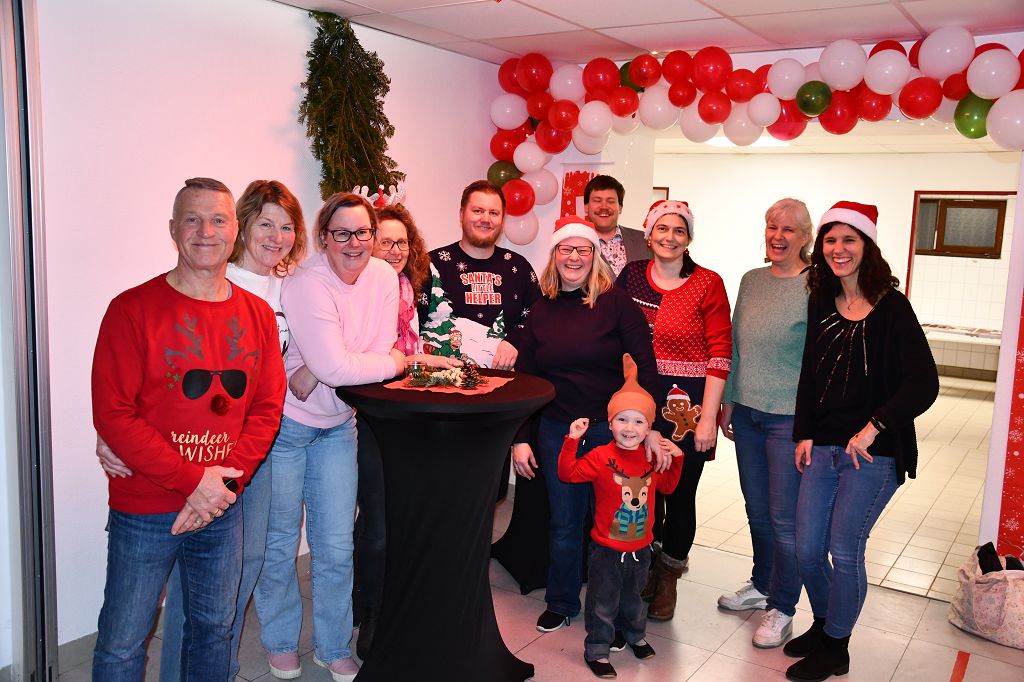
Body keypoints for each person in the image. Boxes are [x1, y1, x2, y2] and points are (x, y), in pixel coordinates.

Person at [96, 179, 307, 681]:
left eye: (217, 220)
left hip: (221, 506)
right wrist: (196, 483)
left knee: (213, 629)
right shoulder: (131, 309)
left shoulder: (257, 314)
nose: (205, 231)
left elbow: (266, 408)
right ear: (173, 230)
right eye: (192, 219)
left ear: (234, 231)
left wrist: (222, 485)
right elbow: (114, 415)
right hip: (145, 504)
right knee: (123, 641)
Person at [785, 202, 938, 682]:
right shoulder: (821, 299)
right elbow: (810, 374)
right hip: (823, 446)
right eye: (830, 240)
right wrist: (804, 432)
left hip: (874, 452)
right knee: (807, 550)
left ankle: (836, 647)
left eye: (848, 240)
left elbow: (923, 384)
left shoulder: (893, 307)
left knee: (845, 548)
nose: (838, 249)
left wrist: (875, 425)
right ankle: (825, 624)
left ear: (867, 246)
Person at [256, 192, 405, 682]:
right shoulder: (305, 282)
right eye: (342, 233)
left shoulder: (383, 276)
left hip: (340, 425)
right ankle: (281, 642)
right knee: (280, 543)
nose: (354, 243)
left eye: (363, 232)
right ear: (323, 238)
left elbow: (367, 353)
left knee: (337, 546)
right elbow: (347, 364)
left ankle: (333, 646)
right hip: (287, 426)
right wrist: (339, 365)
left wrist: (321, 367)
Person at [511, 216, 668, 634]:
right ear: (554, 256)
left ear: (595, 256)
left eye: (583, 249)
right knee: (564, 523)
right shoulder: (542, 309)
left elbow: (646, 365)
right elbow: (525, 377)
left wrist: (650, 426)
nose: (574, 257)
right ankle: (561, 602)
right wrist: (520, 438)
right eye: (566, 249)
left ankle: (610, 612)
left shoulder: (617, 304)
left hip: (611, 434)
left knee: (614, 526)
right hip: (558, 432)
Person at [615, 199, 732, 621]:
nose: (669, 237)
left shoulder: (707, 283)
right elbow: (613, 332)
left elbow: (720, 353)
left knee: (680, 494)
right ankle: (643, 569)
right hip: (638, 399)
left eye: (679, 230)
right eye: (661, 229)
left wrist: (709, 418)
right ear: (648, 235)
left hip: (688, 406)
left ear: (689, 239)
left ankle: (668, 579)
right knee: (642, 489)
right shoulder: (631, 276)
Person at [716, 199, 813, 649]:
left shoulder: (817, 285)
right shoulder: (751, 280)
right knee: (756, 508)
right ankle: (762, 583)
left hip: (788, 419)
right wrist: (729, 399)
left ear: (805, 237)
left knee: (784, 518)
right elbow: (735, 344)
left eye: (789, 229)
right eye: (772, 226)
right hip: (748, 413)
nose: (778, 235)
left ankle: (783, 606)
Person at [558, 357, 682, 679]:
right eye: (622, 420)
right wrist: (572, 441)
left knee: (634, 598)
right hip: (606, 549)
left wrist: (677, 460)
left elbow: (667, 486)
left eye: (639, 422)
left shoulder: (651, 457)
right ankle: (597, 649)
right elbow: (568, 474)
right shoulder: (601, 457)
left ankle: (635, 635)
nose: (629, 428)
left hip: (641, 548)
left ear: (649, 428)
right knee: (602, 601)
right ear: (610, 423)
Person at [418, 180, 540, 370]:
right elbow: (408, 324)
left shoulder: (518, 267)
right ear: (461, 215)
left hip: (505, 383)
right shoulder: (431, 264)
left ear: (502, 220)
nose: (485, 219)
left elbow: (538, 318)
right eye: (477, 211)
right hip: (440, 383)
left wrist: (514, 341)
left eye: (494, 213)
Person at [583, 175, 650, 277]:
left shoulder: (644, 240)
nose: (604, 207)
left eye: (610, 201)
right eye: (597, 200)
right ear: (586, 207)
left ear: (620, 208)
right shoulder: (577, 243)